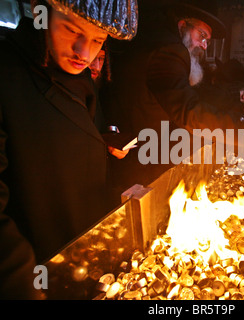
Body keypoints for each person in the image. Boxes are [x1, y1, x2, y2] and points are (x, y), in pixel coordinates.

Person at [0, 0, 138, 299]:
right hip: (40, 265)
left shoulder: (80, 77)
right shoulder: (6, 71)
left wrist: (102, 143)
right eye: (71, 29)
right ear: (40, 13)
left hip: (86, 249)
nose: (84, 53)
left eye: (98, 40)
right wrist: (18, 279)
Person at [100, 0, 244, 190]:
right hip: (139, 163)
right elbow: (189, 113)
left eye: (207, 40)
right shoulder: (169, 51)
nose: (204, 45)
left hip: (138, 154)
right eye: (202, 35)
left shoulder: (159, 43)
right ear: (183, 25)